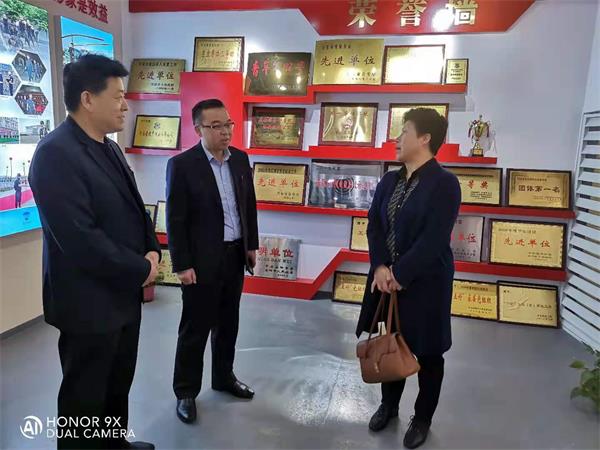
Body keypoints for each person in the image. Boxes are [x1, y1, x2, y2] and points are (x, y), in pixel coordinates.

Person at [28, 54, 159, 450]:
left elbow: (135, 208)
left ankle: (115, 444)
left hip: (122, 296)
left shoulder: (110, 149)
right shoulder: (55, 154)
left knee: (118, 384)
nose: (125, 105)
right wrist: (140, 268)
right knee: (84, 398)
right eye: (117, 96)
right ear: (87, 99)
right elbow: (80, 239)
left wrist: (152, 249)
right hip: (87, 302)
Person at [355, 108, 461, 449]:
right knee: (391, 341)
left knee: (429, 353)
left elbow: (434, 239)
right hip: (386, 281)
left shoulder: (445, 184)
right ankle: (389, 406)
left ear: (425, 138)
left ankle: (422, 417)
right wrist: (380, 267)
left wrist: (399, 274)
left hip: (426, 282)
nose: (397, 139)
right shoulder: (390, 180)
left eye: (404, 132)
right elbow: (374, 226)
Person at [166, 98, 259, 424]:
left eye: (228, 124)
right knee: (195, 328)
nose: (225, 132)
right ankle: (186, 391)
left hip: (234, 255)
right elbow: (175, 219)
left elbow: (248, 206)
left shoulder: (240, 160)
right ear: (198, 129)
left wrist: (251, 245)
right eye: (216, 126)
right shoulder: (182, 165)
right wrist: (181, 264)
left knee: (228, 322)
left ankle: (223, 377)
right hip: (201, 261)